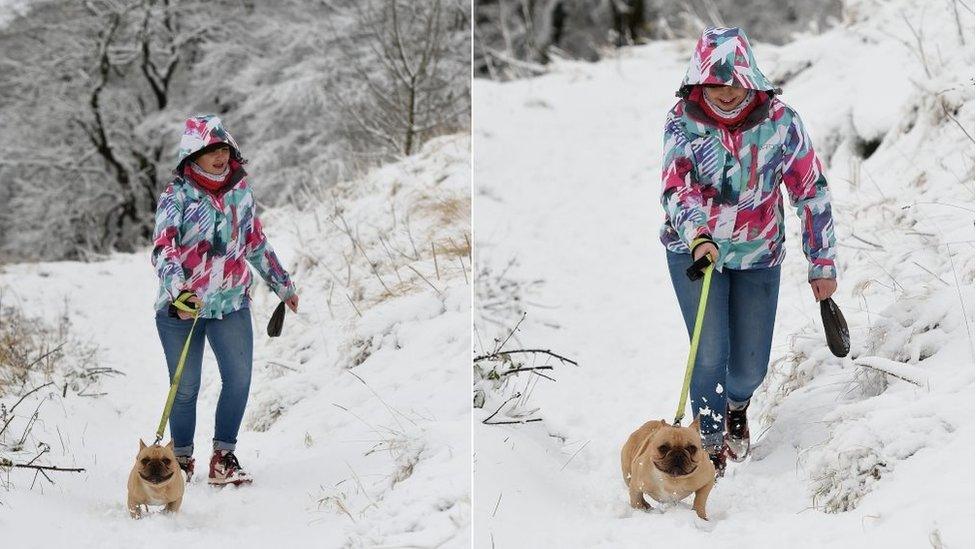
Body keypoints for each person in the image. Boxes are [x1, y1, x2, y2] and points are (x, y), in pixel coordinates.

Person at [659, 27, 837, 477]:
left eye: (733, 82)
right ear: (699, 80)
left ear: (750, 78)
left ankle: (736, 405)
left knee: (748, 368)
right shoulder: (683, 120)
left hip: (759, 253)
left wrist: (821, 261)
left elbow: (810, 190)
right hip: (696, 252)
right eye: (714, 83)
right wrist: (698, 235)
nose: (724, 93)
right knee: (709, 353)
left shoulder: (781, 122)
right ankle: (709, 445)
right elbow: (677, 187)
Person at [151, 115, 300, 486]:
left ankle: (223, 457)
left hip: (230, 303)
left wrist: (282, 284)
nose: (220, 157)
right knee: (185, 386)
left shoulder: (240, 190)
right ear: (193, 155)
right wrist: (178, 290)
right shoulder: (176, 195)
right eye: (211, 151)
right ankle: (181, 459)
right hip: (181, 308)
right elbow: (163, 247)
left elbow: (254, 242)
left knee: (239, 378)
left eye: (225, 150)